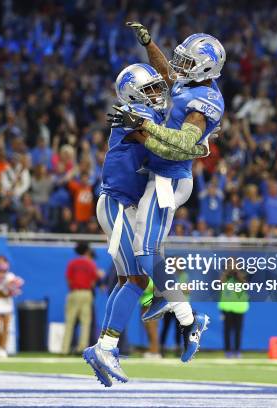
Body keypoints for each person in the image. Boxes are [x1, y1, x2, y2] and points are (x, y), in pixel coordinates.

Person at [84, 63, 211, 386]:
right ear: (132, 93)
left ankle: (105, 346)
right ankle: (183, 317)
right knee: (139, 275)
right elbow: (167, 147)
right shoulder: (133, 112)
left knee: (132, 279)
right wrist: (199, 147)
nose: (158, 93)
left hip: (123, 205)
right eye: (150, 89)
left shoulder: (144, 112)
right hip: (118, 204)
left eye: (157, 87)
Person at [111, 25, 222, 354]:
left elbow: (182, 146)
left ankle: (188, 319)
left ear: (205, 67)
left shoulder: (205, 101)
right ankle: (173, 304)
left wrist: (144, 127)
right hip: (161, 175)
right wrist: (149, 44)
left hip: (169, 177)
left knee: (145, 252)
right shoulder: (193, 83)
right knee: (148, 252)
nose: (179, 67)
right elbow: (165, 71)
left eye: (188, 62)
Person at [62, 242, 102, 356]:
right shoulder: (91, 263)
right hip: (86, 293)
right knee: (85, 323)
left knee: (69, 322)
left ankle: (64, 349)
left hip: (74, 293)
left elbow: (68, 279)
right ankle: (81, 348)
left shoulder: (72, 263)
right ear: (87, 251)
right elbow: (94, 280)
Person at [0, 255, 23, 358]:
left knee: (5, 328)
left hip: (7, 303)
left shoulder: (11, 276)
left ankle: (3, 349)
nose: (1, 264)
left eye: (3, 262)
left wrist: (12, 290)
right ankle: (0, 345)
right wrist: (5, 288)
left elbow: (12, 289)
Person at [218, 261, 249, 358]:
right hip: (227, 308)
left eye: (234, 264)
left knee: (238, 331)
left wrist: (237, 273)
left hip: (239, 308)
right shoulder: (224, 277)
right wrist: (228, 272)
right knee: (227, 331)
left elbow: (245, 284)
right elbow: (220, 284)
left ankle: (238, 351)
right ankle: (228, 351)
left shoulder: (242, 276)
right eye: (230, 265)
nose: (232, 267)